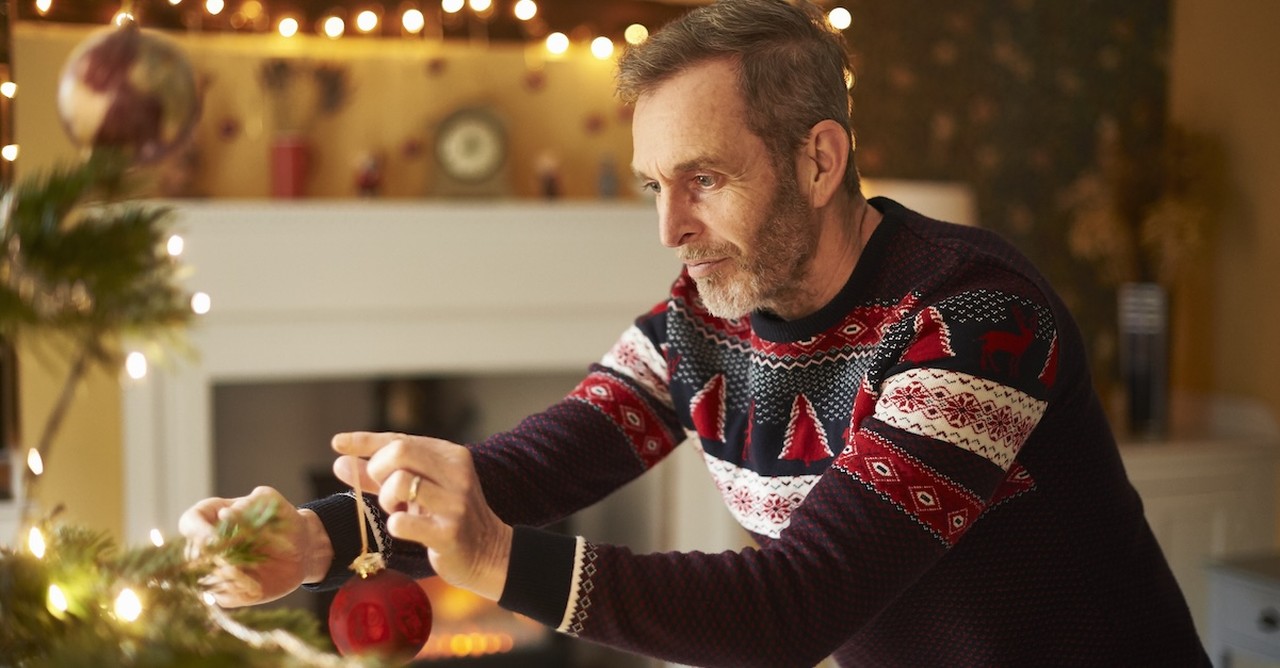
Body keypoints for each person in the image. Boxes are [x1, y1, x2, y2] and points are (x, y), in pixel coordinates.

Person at [180, 0, 1210, 665]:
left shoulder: (975, 321)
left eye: (702, 179)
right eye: (652, 186)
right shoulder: (699, 322)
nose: (667, 227)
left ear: (817, 160)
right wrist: (318, 538)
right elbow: (535, 462)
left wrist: (495, 561)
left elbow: (792, 605)